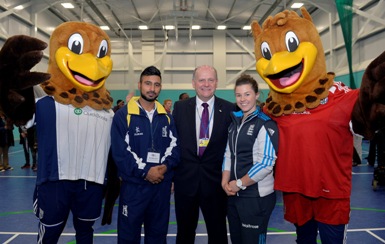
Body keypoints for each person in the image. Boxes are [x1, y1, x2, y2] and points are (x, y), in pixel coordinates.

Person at [111, 65, 180, 243]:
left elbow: (175, 148)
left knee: (157, 237)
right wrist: (145, 172)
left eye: (156, 85)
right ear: (140, 84)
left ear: (160, 87)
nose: (152, 88)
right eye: (148, 83)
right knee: (128, 238)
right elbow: (120, 152)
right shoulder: (123, 115)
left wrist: (163, 169)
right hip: (134, 188)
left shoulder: (167, 117)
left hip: (160, 188)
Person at [172, 65, 235, 244]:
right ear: (193, 83)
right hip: (185, 182)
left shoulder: (230, 109)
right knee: (184, 233)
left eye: (210, 80)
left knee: (218, 233)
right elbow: (174, 143)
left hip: (216, 183)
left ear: (216, 83)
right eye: (201, 80)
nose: (206, 84)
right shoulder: (180, 107)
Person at [222, 74, 279, 244]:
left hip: (256, 197)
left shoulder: (265, 124)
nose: (243, 99)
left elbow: (267, 162)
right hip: (234, 195)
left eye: (247, 94)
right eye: (239, 95)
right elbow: (228, 154)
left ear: (256, 95)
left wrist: (239, 183)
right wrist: (225, 182)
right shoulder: (235, 123)